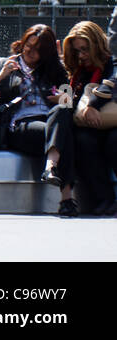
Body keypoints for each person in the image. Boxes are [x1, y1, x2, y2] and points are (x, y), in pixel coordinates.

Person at [0, 24, 72, 214]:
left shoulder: (54, 70)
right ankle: (66, 199)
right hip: (19, 125)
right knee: (64, 136)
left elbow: (69, 98)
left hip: (49, 122)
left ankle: (51, 167)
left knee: (62, 111)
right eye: (28, 46)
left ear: (47, 52)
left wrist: (61, 97)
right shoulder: (6, 65)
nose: (31, 52)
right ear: (22, 43)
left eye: (38, 49)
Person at [43, 21, 117, 214]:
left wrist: (92, 106)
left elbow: (109, 85)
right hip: (88, 125)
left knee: (113, 141)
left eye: (84, 49)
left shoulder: (111, 62)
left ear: (95, 45)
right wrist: (63, 98)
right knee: (83, 141)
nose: (81, 55)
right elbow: (70, 102)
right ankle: (105, 199)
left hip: (111, 121)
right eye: (76, 51)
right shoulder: (76, 70)